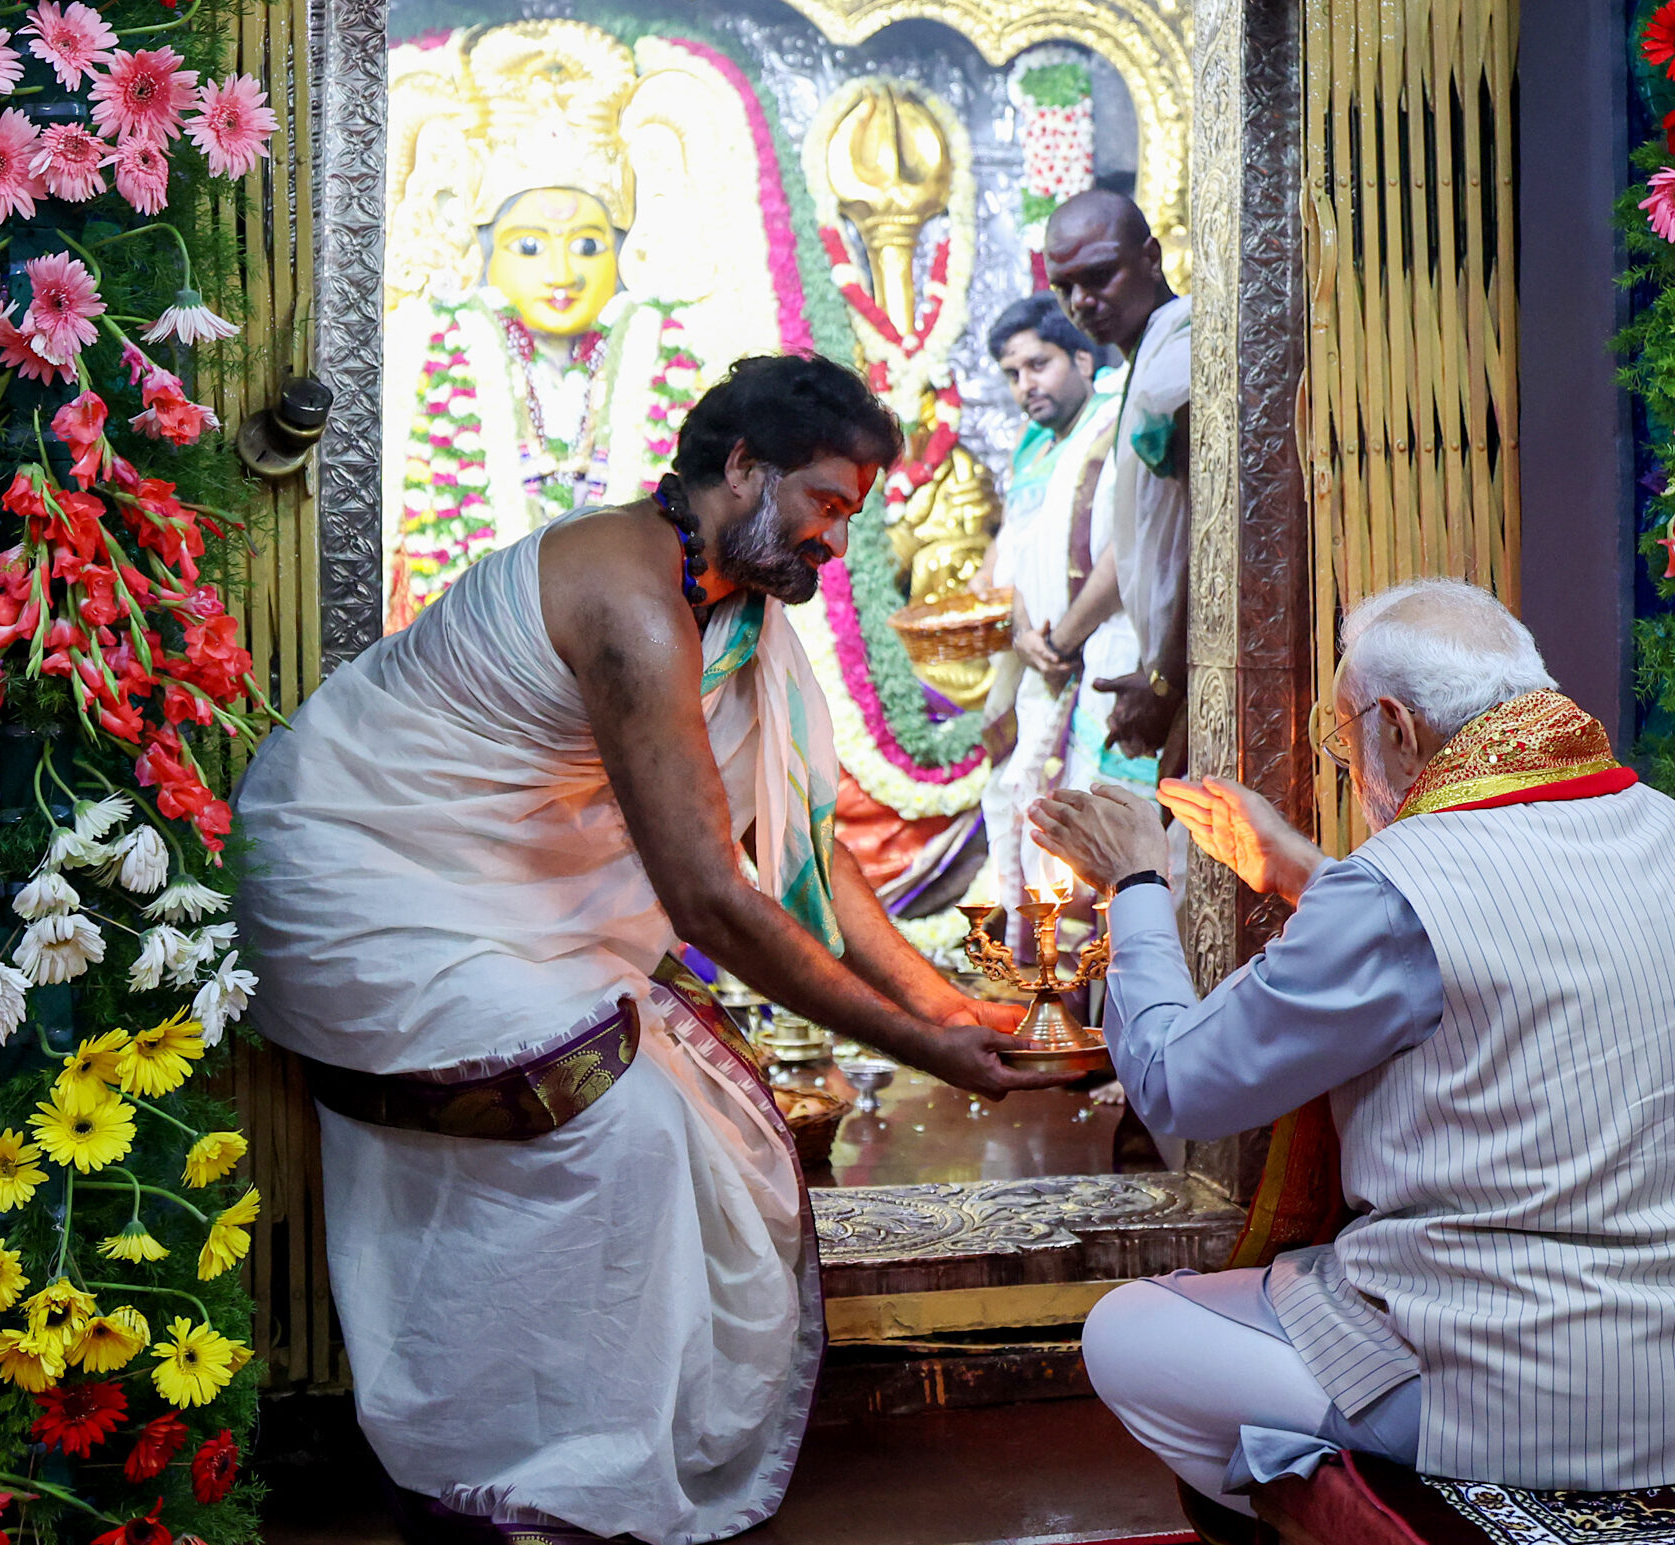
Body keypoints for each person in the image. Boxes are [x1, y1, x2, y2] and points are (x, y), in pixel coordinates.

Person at [237, 354, 1074, 1545]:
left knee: (684, 1121)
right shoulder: (631, 600)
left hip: (504, 904)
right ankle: (517, 1468)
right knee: (621, 1126)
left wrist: (951, 1008)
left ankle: (600, 1452)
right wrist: (920, 1050)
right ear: (743, 468)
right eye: (829, 504)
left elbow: (805, 855)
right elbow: (710, 902)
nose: (838, 542)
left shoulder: (727, 613)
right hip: (357, 882)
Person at [1028, 578, 1675, 1529]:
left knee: (1129, 1333)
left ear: (1396, 725)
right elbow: (1504, 942)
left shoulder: (1396, 887)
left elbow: (1174, 1081)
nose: (1350, 765)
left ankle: (1362, 1498)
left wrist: (1135, 877)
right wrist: (1294, 865)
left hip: (1545, 1391)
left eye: (1344, 741)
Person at [975, 295, 1155, 938]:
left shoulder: (1114, 421)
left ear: (1082, 357)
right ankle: (1050, 986)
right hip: (1048, 661)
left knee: (1099, 821)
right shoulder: (1031, 449)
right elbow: (1018, 550)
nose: (1026, 385)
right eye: (1012, 373)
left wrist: (1067, 636)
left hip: (1107, 648)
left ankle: (1101, 994)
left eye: (1038, 364)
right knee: (1032, 810)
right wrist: (1026, 632)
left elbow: (1128, 544)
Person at [1043, 190, 1191, 770]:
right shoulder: (1147, 361)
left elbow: (1214, 539)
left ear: (1151, 257)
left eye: (1100, 275)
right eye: (1065, 286)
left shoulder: (1180, 357)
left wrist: (1164, 681)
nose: (1082, 301)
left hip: (1192, 668)